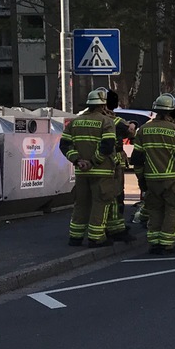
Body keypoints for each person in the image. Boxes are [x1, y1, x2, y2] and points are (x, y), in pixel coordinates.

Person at [131, 93, 175, 255]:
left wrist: (140, 178)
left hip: (151, 179)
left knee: (155, 210)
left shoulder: (143, 130)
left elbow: (137, 159)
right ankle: (167, 244)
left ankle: (154, 243)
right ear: (170, 112)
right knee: (172, 210)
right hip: (172, 179)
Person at [61, 87, 120, 248]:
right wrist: (93, 162)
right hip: (101, 172)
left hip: (81, 172)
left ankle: (75, 237)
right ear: (102, 106)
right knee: (100, 203)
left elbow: (64, 145)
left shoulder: (75, 122)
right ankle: (96, 238)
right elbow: (107, 146)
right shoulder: (106, 121)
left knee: (81, 203)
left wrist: (78, 160)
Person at [104, 89, 136, 242]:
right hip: (113, 162)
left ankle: (101, 226)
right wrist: (132, 125)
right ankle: (116, 228)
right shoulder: (116, 121)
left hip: (93, 163)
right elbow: (131, 132)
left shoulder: (85, 119)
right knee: (116, 196)